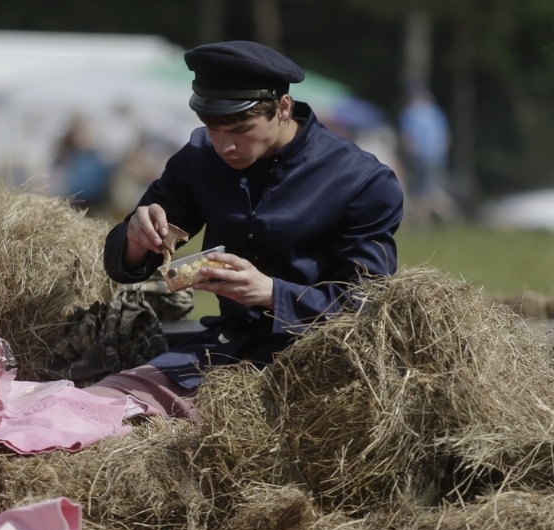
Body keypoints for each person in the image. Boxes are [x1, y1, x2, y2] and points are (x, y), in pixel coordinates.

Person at [84, 41, 403, 419]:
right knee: (95, 405)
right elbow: (124, 264)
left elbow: (369, 305)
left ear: (282, 108)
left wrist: (271, 293)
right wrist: (136, 239)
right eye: (212, 128)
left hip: (319, 363)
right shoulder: (200, 158)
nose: (224, 145)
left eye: (239, 129)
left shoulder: (363, 180)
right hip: (223, 349)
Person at [398, 83, 455, 226]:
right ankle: (451, 218)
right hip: (438, 156)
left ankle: (422, 223)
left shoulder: (410, 112)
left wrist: (407, 157)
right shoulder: (436, 112)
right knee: (435, 188)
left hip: (420, 157)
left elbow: (408, 139)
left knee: (419, 191)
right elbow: (447, 137)